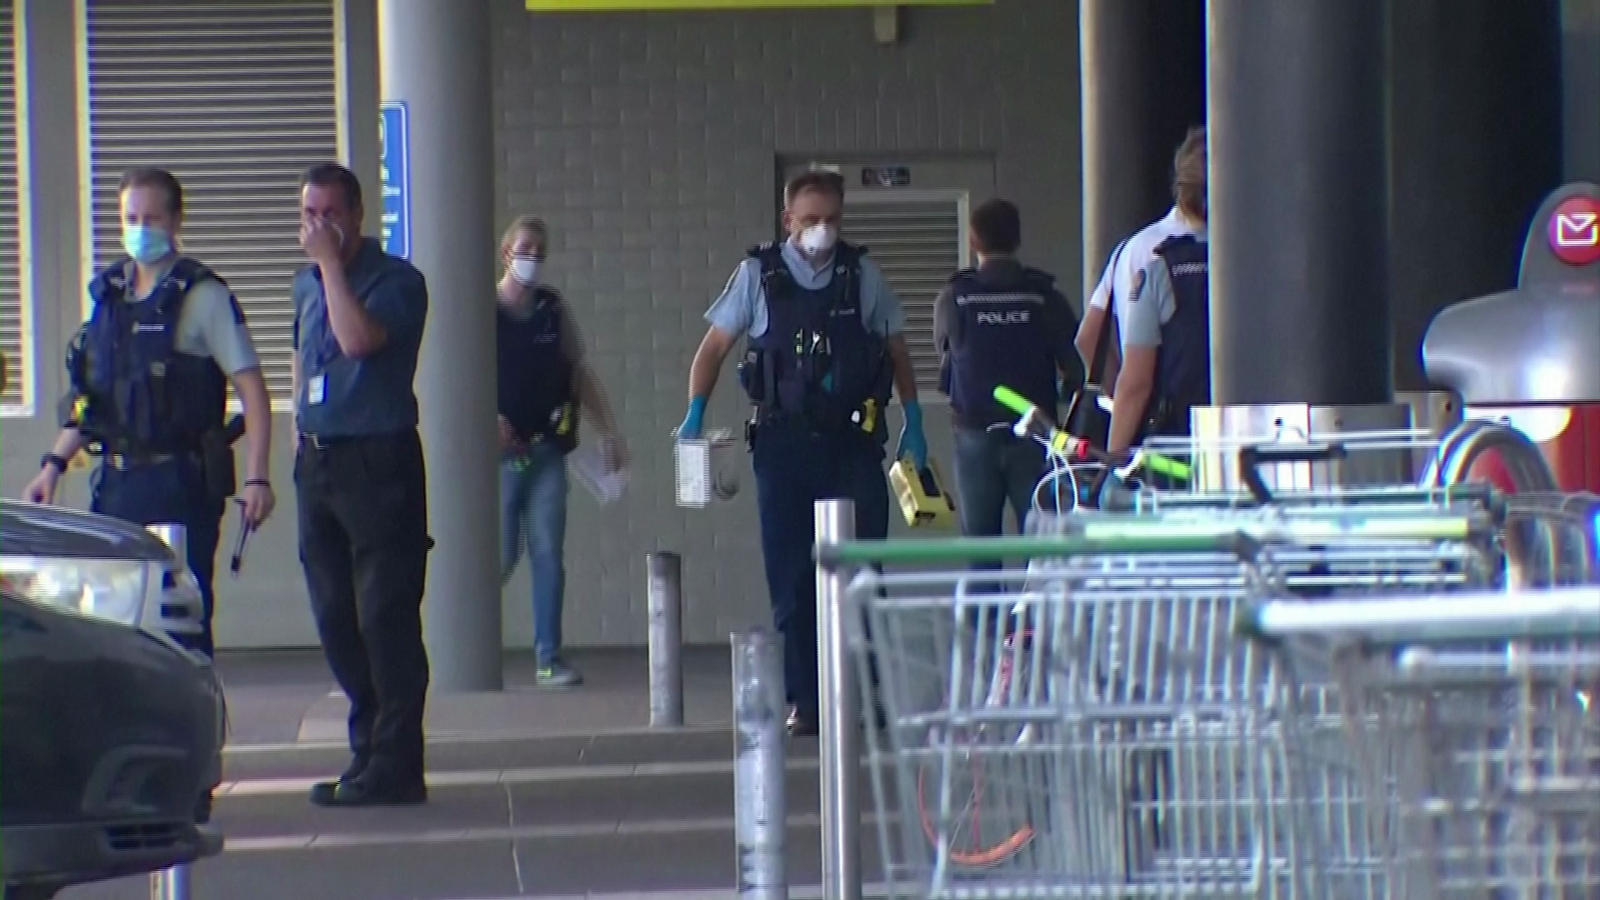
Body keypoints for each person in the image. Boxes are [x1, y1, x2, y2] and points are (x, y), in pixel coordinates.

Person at [678, 169, 926, 736]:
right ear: (788, 219)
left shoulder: (860, 274)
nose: (822, 229)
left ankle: (869, 692)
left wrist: (913, 420)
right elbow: (714, 347)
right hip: (783, 444)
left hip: (852, 443)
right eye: (811, 219)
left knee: (864, 569)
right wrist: (695, 413)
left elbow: (896, 348)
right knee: (791, 576)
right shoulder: (758, 276)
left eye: (832, 219)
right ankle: (805, 701)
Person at [22, 166, 276, 658]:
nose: (140, 228)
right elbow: (91, 399)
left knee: (176, 623)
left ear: (176, 221)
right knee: (109, 623)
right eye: (131, 218)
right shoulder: (110, 297)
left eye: (152, 218)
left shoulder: (203, 297)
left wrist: (257, 477)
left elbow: (253, 390)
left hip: (178, 482)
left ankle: (191, 705)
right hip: (116, 484)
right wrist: (52, 465)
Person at [291, 163, 432, 807]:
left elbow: (355, 341)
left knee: (384, 615)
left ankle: (397, 763)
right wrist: (298, 435)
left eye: (330, 213)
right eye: (308, 214)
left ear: (357, 215)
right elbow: (304, 359)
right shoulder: (304, 285)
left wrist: (329, 265)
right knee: (335, 615)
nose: (318, 226)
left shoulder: (397, 281)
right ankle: (366, 750)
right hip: (319, 459)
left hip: (378, 461)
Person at [495, 214, 630, 688]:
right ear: (506, 253)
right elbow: (458, 377)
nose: (532, 259)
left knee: (548, 553)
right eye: (524, 249)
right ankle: (458, 641)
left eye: (540, 251)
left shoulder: (552, 310)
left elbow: (578, 373)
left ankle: (548, 657)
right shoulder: (483, 313)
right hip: (499, 458)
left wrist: (608, 431)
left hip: (548, 449)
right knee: (499, 554)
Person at [933, 198, 1082, 543]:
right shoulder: (1044, 295)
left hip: (974, 432)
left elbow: (944, 350)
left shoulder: (955, 296)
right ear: (1017, 239)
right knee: (1042, 543)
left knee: (980, 545)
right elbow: (1075, 367)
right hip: (1036, 433)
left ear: (973, 241)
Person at [1074, 133, 1208, 396]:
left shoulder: (1133, 248)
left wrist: (1122, 399)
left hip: (1154, 407)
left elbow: (1088, 337)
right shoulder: (1236, 251)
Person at [1108, 126, 1211, 454]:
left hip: (1177, 445)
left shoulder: (1159, 269)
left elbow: (1136, 383)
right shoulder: (1262, 263)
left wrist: (1113, 461)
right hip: (1254, 438)